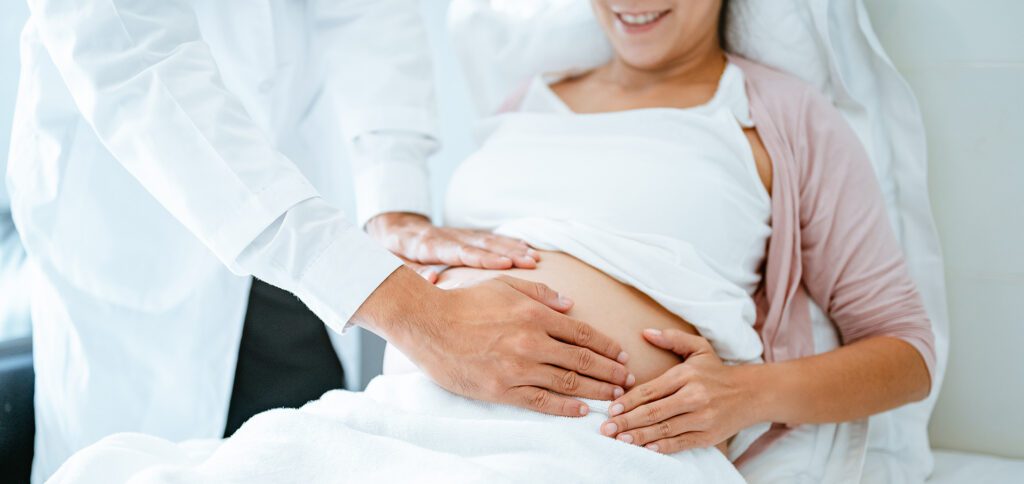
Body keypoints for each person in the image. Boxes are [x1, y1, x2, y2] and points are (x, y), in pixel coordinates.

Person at [9, 1, 632, 481]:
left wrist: (394, 195)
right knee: (132, 458)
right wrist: (416, 313)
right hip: (138, 199)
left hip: (305, 162)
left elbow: (368, 9)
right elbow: (134, 59)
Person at [374, 0, 936, 480]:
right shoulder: (525, 98)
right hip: (408, 419)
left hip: (603, 447)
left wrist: (747, 394)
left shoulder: (780, 115)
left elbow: (906, 354)